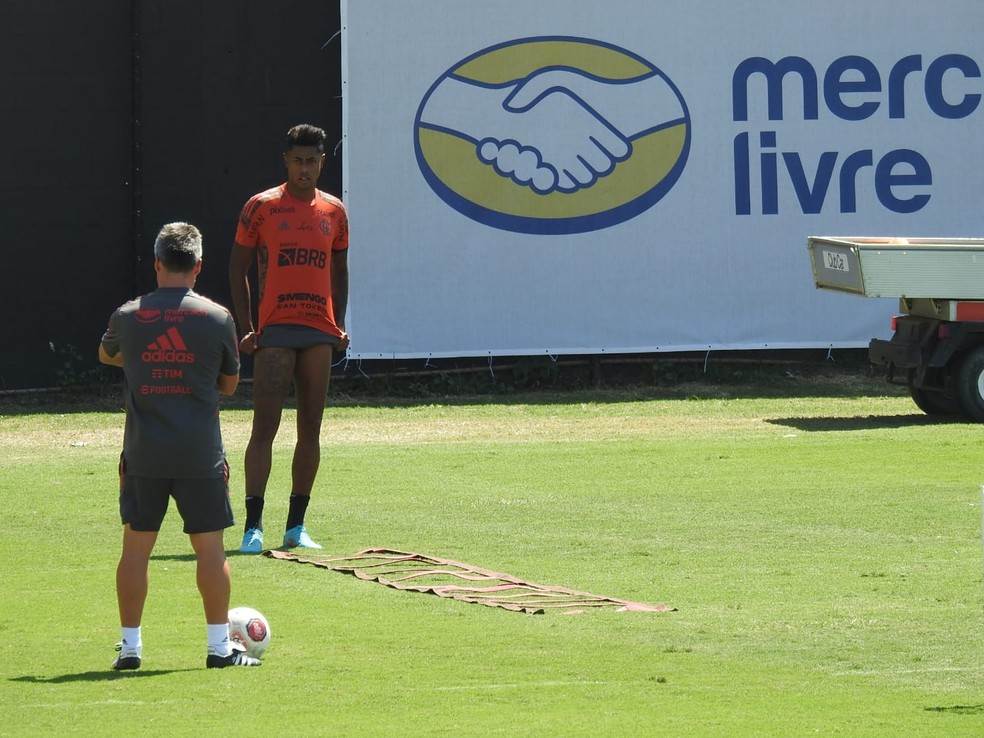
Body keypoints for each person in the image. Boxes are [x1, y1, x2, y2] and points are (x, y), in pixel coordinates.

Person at [99, 222, 260, 670]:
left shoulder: (128, 316)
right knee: (211, 551)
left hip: (144, 453)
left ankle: (130, 649)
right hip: (200, 455)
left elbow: (105, 353)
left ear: (156, 264)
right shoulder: (217, 318)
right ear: (199, 266)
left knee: (135, 550)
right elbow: (228, 386)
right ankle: (218, 648)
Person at [229, 123, 350, 554]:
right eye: (298, 160)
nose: (305, 168)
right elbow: (237, 269)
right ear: (286, 160)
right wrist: (247, 327)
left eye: (312, 161)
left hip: (318, 330)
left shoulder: (334, 211)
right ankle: (252, 528)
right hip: (275, 331)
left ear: (322, 162)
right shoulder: (261, 206)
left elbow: (339, 271)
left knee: (311, 430)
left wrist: (338, 324)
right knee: (264, 428)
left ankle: (296, 528)